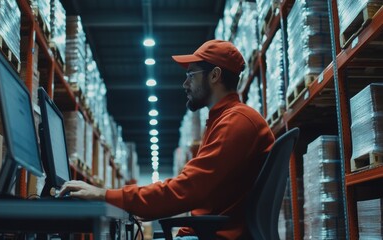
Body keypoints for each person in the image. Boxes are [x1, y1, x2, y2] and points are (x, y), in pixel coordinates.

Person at [60, 39, 275, 239]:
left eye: (191, 75)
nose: (185, 83)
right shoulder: (223, 120)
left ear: (215, 75)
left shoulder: (237, 122)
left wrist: (105, 194)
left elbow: (184, 190)